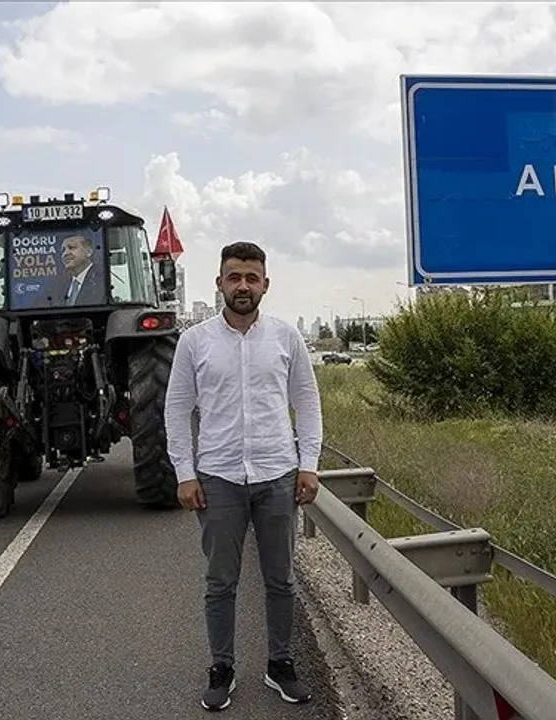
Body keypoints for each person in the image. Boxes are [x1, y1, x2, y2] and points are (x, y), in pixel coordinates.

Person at [164, 240, 323, 712]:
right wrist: (184, 473)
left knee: (281, 580)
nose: (243, 286)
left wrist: (309, 464)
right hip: (218, 478)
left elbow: (307, 403)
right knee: (220, 582)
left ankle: (280, 665)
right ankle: (222, 668)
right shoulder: (195, 342)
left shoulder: (286, 338)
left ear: (265, 285)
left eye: (252, 278)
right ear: (219, 283)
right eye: (234, 277)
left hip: (277, 475)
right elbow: (177, 410)